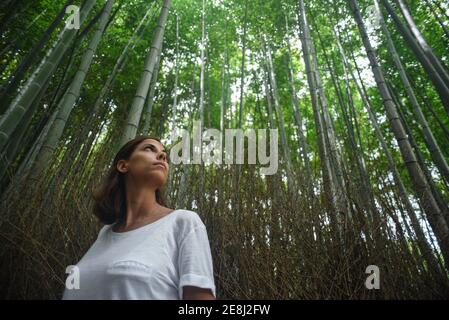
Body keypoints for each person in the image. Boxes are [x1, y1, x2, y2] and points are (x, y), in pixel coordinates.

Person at [62, 135, 216, 300]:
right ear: (123, 165)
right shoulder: (105, 233)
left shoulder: (183, 222)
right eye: (149, 149)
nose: (162, 156)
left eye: (164, 154)